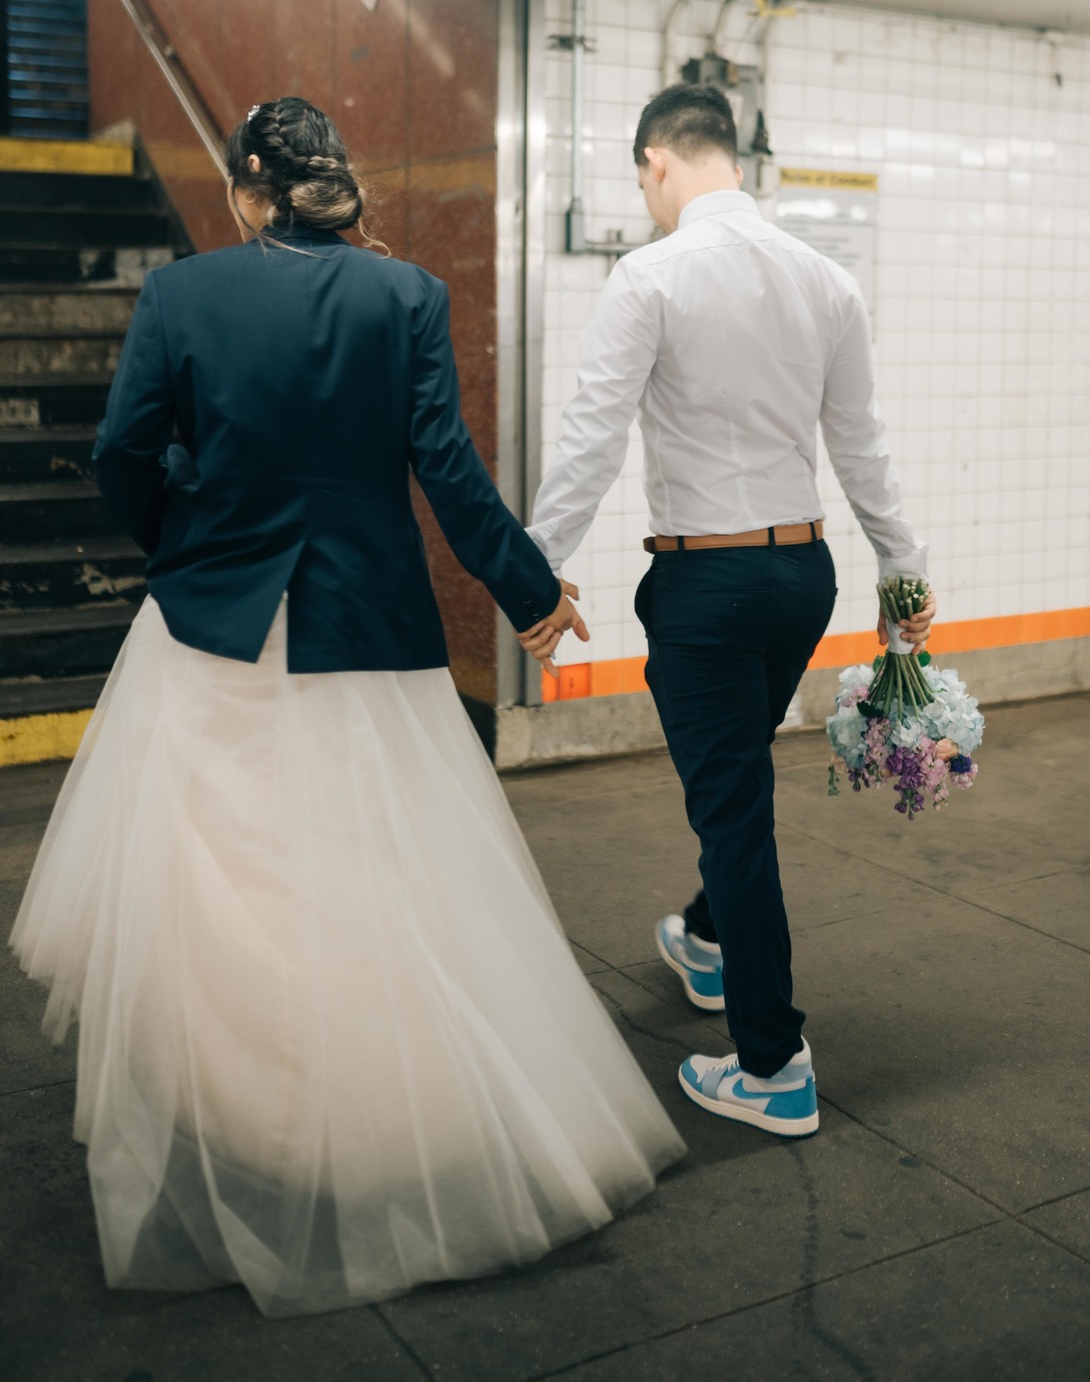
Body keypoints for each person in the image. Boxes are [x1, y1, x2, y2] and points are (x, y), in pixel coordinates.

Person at [11, 96, 684, 1318]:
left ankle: (236, 1113)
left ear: (244, 190)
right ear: (339, 186)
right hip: (362, 628)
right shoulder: (408, 296)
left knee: (208, 877)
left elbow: (120, 451)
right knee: (371, 873)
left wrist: (189, 542)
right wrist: (530, 593)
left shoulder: (181, 295)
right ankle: (377, 1115)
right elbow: (449, 470)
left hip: (211, 628)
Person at [522, 82, 936, 1138]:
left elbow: (591, 437)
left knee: (734, 809)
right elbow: (863, 446)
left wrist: (533, 570)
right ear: (734, 156)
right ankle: (706, 940)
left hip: (705, 586)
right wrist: (906, 578)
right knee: (737, 774)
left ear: (657, 160)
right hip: (805, 578)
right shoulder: (826, 279)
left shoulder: (650, 274)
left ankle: (772, 1060)